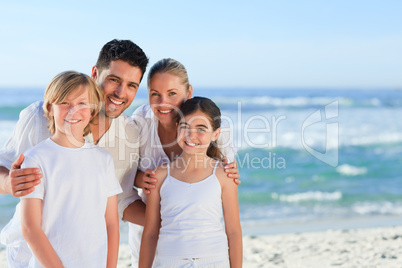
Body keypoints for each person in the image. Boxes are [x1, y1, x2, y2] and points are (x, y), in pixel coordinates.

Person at [0, 39, 149, 266]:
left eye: (132, 85)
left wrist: (175, 219)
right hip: (28, 257)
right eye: (114, 80)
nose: (121, 93)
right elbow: (5, 168)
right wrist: (9, 183)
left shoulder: (130, 133)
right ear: (95, 73)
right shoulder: (40, 117)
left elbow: (120, 202)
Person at [2, 71, 122, 268]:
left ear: (92, 110)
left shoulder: (103, 159)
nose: (74, 110)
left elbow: (111, 222)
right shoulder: (36, 159)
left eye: (82, 103)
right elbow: (30, 228)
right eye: (65, 102)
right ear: (50, 108)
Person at [130, 58, 240, 266]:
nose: (164, 102)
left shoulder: (219, 130)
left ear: (188, 92)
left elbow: (222, 182)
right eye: (155, 94)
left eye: (172, 93)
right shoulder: (142, 122)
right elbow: (122, 171)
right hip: (157, 244)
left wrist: (230, 171)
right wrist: (139, 177)